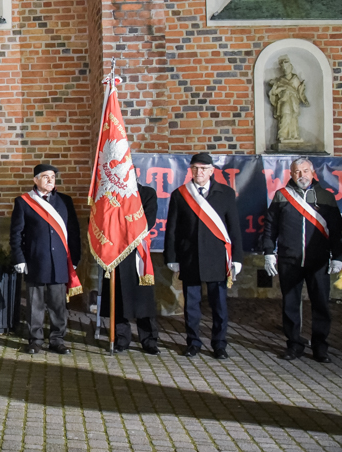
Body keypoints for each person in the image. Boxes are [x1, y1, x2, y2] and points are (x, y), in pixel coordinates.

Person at [261, 157, 342, 363]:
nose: (302, 175)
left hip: (319, 261)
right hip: (289, 260)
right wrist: (269, 252)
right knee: (290, 304)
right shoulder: (281, 196)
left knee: (321, 304)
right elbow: (270, 227)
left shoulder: (326, 197)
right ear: (291, 174)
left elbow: (336, 230)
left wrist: (339, 256)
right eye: (297, 172)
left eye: (305, 171)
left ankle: (320, 347)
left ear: (312, 172)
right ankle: (294, 344)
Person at [164, 153, 243, 359]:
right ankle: (193, 342)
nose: (199, 172)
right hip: (190, 257)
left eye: (203, 169)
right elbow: (172, 229)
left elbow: (234, 228)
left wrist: (237, 258)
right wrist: (171, 257)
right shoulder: (180, 194)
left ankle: (219, 344)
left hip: (217, 258)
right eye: (195, 168)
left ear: (211, 171)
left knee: (219, 306)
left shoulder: (225, 193)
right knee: (191, 305)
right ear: (191, 170)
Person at [9, 163, 83, 355]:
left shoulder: (65, 201)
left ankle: (57, 340)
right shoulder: (24, 202)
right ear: (35, 180)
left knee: (58, 305)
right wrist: (19, 259)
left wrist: (74, 258)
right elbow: (16, 234)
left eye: (53, 176)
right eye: (46, 176)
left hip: (59, 261)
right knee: (35, 305)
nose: (51, 180)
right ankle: (35, 340)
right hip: (36, 261)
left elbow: (74, 232)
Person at [102, 183, 159, 354]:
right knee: (118, 298)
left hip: (137, 253)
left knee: (144, 300)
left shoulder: (147, 193)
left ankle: (149, 340)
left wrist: (121, 228)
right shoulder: (109, 195)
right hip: (115, 253)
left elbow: (148, 220)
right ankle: (122, 338)